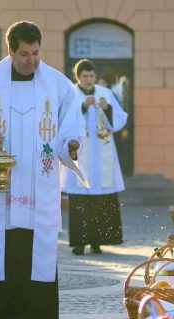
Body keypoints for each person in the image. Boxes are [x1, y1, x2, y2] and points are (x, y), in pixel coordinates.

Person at [0, 21, 85, 319]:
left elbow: (71, 127)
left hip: (40, 183)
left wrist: (72, 146)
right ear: (10, 51)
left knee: (35, 247)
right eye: (24, 54)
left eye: (36, 53)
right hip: (1, 181)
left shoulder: (58, 84)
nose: (31, 60)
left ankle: (35, 315)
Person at [62, 59, 127, 255]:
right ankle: (79, 243)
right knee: (81, 200)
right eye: (85, 76)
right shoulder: (71, 93)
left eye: (91, 76)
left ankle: (98, 241)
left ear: (95, 76)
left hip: (101, 154)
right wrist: (82, 106)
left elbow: (120, 119)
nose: (89, 79)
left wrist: (108, 108)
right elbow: (63, 120)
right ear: (77, 77)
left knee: (101, 199)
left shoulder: (105, 93)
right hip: (80, 153)